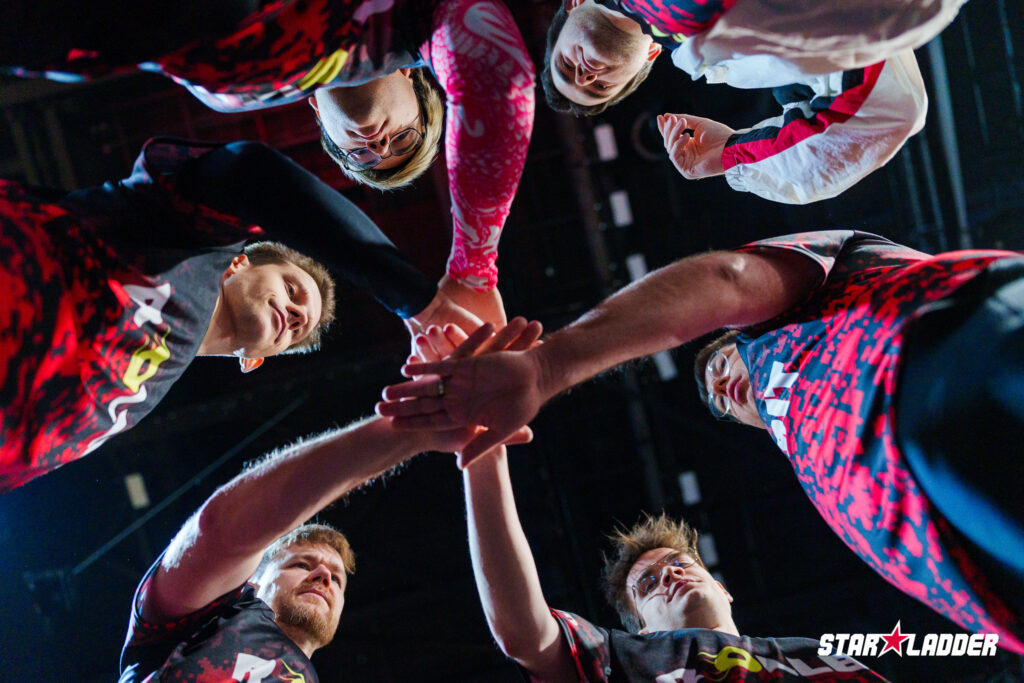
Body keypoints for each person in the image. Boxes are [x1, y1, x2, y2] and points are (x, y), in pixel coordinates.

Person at [378, 229, 1024, 651]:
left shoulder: (801, 314)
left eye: (721, 368)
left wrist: (550, 366)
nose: (721, 388)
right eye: (718, 399)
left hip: (959, 359)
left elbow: (730, 282)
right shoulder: (819, 469)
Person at [0, 136, 483, 490]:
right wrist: (420, 302)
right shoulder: (190, 240)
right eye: (293, 290)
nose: (294, 314)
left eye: (299, 328)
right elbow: (250, 171)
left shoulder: (149, 391)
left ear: (253, 360)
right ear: (239, 262)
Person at [4, 0, 535, 323]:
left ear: (319, 120)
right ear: (416, 83)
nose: (377, 145)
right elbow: (499, 79)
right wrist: (472, 270)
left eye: (363, 156)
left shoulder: (231, 97)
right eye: (403, 139)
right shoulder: (417, 22)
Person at [117, 319, 540, 681]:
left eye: (337, 579)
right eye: (302, 563)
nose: (325, 577)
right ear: (249, 581)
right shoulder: (202, 620)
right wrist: (414, 430)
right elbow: (223, 530)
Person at [463, 447, 885, 680]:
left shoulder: (814, 656)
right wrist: (485, 455)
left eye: (680, 563)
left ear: (722, 588)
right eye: (647, 585)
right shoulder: (625, 661)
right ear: (642, 628)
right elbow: (523, 634)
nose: (669, 574)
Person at [542, 0, 936, 204]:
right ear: (646, 61)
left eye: (565, 65)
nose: (584, 75)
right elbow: (884, 110)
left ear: (575, 2)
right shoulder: (735, 50)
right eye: (598, 88)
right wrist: (731, 154)